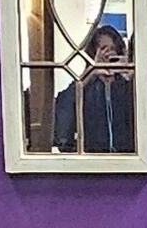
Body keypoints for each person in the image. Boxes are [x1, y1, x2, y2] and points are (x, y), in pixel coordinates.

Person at [52, 24, 137, 154]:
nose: (108, 53)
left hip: (126, 156)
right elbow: (64, 107)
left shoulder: (126, 85)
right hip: (93, 156)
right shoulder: (86, 86)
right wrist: (91, 71)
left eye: (113, 48)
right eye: (103, 48)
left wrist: (130, 76)